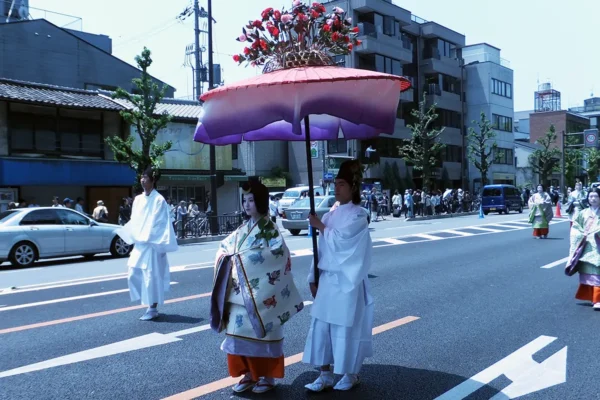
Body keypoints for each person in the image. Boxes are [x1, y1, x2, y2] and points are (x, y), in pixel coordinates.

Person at [210, 181, 302, 394]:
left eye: (251, 200)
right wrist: (227, 258)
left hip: (262, 296)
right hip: (240, 295)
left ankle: (268, 377)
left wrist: (243, 260)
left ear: (260, 201)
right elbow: (226, 247)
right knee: (238, 333)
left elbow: (279, 255)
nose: (247, 204)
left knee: (265, 336)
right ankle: (249, 374)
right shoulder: (243, 229)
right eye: (244, 200)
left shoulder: (270, 230)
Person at [303, 159, 373, 392]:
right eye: (336, 184)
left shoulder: (359, 215)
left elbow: (345, 243)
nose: (337, 188)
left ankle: (350, 373)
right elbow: (321, 249)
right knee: (321, 327)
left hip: (347, 281)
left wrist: (320, 227)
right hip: (329, 280)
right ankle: (324, 374)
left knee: (346, 328)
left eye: (342, 184)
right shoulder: (330, 215)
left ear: (353, 187)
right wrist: (313, 276)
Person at [117, 166, 178, 321]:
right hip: (140, 243)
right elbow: (135, 220)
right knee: (133, 273)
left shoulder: (159, 200)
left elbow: (159, 223)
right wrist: (130, 234)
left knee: (152, 276)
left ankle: (152, 307)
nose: (143, 180)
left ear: (153, 180)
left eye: (146, 177)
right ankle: (147, 303)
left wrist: (147, 236)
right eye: (142, 177)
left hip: (152, 243)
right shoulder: (137, 199)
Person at [567, 187, 600, 310]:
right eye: (591, 196)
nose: (593, 199)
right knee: (588, 271)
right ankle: (592, 297)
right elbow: (575, 227)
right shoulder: (583, 213)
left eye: (596, 196)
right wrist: (581, 235)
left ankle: (598, 299)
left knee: (597, 270)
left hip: (598, 245)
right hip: (586, 246)